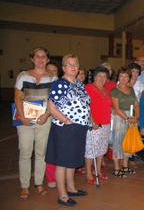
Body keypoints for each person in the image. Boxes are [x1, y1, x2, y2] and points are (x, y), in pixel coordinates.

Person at [45, 54, 90, 207]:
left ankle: (71, 188)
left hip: (78, 128)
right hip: (65, 128)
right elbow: (51, 107)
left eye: (75, 64)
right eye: (69, 64)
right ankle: (62, 195)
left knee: (72, 160)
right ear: (63, 68)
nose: (73, 66)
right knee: (62, 162)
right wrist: (67, 121)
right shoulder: (60, 84)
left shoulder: (78, 83)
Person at [15, 47, 57, 200]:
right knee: (25, 152)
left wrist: (46, 115)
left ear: (47, 59)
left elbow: (54, 100)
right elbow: (17, 98)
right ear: (32, 59)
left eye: (43, 56)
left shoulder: (53, 78)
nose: (40, 59)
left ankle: (39, 182)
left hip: (44, 120)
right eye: (37, 56)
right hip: (25, 119)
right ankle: (25, 186)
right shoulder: (23, 76)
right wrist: (22, 117)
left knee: (41, 153)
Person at [84, 66, 113, 184]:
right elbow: (86, 106)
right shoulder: (89, 88)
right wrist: (92, 121)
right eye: (99, 76)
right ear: (94, 77)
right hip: (95, 124)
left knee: (101, 148)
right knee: (91, 149)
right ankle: (89, 173)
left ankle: (98, 170)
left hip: (106, 123)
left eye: (104, 76)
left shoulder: (106, 90)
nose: (102, 78)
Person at [110, 67, 140, 178]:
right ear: (118, 77)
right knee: (118, 142)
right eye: (121, 76)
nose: (123, 78)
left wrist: (137, 116)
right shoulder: (114, 91)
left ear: (129, 78)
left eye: (126, 76)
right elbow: (116, 108)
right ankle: (117, 168)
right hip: (121, 118)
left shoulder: (131, 89)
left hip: (132, 117)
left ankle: (125, 166)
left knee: (128, 141)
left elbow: (136, 104)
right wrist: (128, 118)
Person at [45, 60, 62, 189]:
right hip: (44, 119)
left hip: (58, 120)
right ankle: (50, 178)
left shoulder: (60, 85)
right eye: (48, 70)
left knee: (58, 149)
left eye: (54, 71)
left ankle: (59, 176)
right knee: (48, 150)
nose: (51, 73)